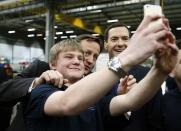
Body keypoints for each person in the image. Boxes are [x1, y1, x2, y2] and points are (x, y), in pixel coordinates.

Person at [23, 15, 178, 131]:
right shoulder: (41, 92)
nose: (78, 61)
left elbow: (131, 100)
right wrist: (129, 57)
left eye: (80, 58)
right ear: (52, 64)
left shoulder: (95, 98)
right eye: (69, 57)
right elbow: (67, 103)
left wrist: (160, 70)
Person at [0, 34, 103, 105]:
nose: (90, 60)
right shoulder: (40, 68)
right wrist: (36, 82)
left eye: (95, 57)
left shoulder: (94, 81)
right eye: (86, 53)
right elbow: (4, 91)